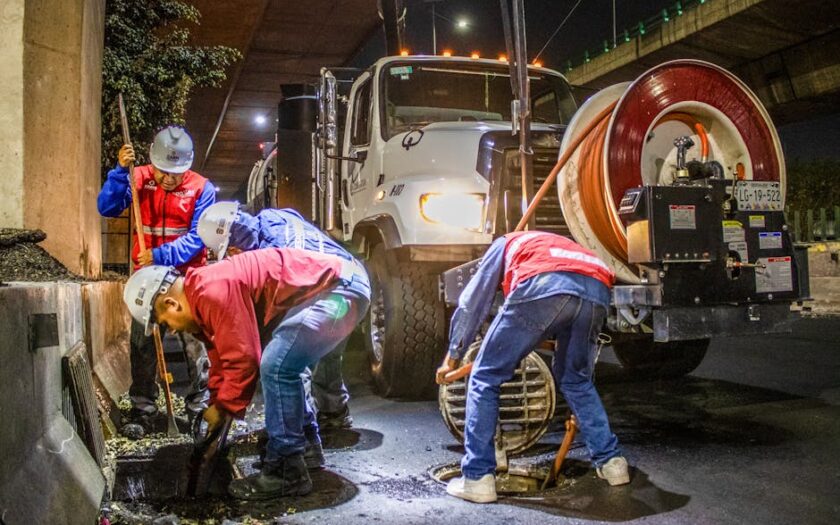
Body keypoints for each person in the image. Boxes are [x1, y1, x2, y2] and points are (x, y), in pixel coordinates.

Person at [121, 247, 369, 499]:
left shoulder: (214, 291)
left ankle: (286, 470)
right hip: (333, 288)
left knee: (277, 365)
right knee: (283, 359)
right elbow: (223, 357)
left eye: (164, 322)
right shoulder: (202, 296)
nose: (171, 331)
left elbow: (245, 358)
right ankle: (304, 445)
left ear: (171, 303)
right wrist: (218, 400)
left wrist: (224, 407)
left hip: (339, 291)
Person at [436, 230, 630, 504]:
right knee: (576, 380)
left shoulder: (503, 243)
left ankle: (478, 477)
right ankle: (612, 463)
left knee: (485, 375)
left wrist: (452, 356)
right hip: (597, 289)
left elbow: (473, 301)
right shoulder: (553, 243)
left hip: (544, 285)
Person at [196, 202, 368, 431]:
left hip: (331, 290)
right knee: (327, 352)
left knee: (289, 360)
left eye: (229, 252)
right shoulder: (275, 215)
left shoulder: (268, 256)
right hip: (356, 282)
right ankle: (334, 412)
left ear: (234, 248)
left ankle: (300, 434)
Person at [98, 125, 215, 437]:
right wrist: (120, 173)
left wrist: (162, 255)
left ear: (188, 166)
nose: (168, 179)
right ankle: (143, 409)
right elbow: (107, 207)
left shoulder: (202, 189)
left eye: (175, 173)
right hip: (147, 282)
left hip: (187, 281)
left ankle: (199, 410)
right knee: (142, 343)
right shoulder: (139, 177)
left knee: (194, 346)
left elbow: (199, 238)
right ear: (153, 162)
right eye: (163, 171)